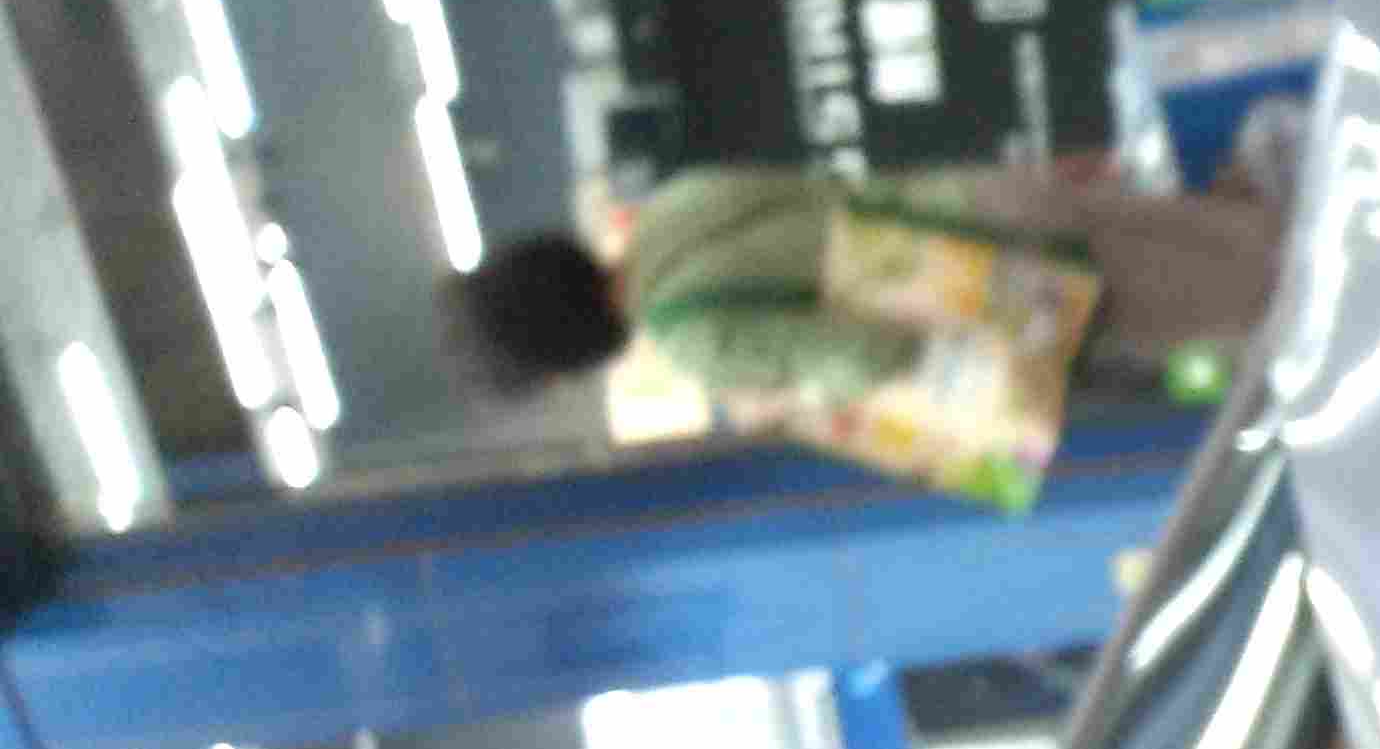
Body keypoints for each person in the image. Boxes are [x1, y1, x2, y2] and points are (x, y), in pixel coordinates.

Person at [456, 156, 1283, 501]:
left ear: (567, 346)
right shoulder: (672, 206)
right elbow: (820, 192)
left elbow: (863, 350)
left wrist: (812, 405)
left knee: (1258, 296)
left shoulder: (691, 340)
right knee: (1239, 236)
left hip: (1007, 294)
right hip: (978, 201)